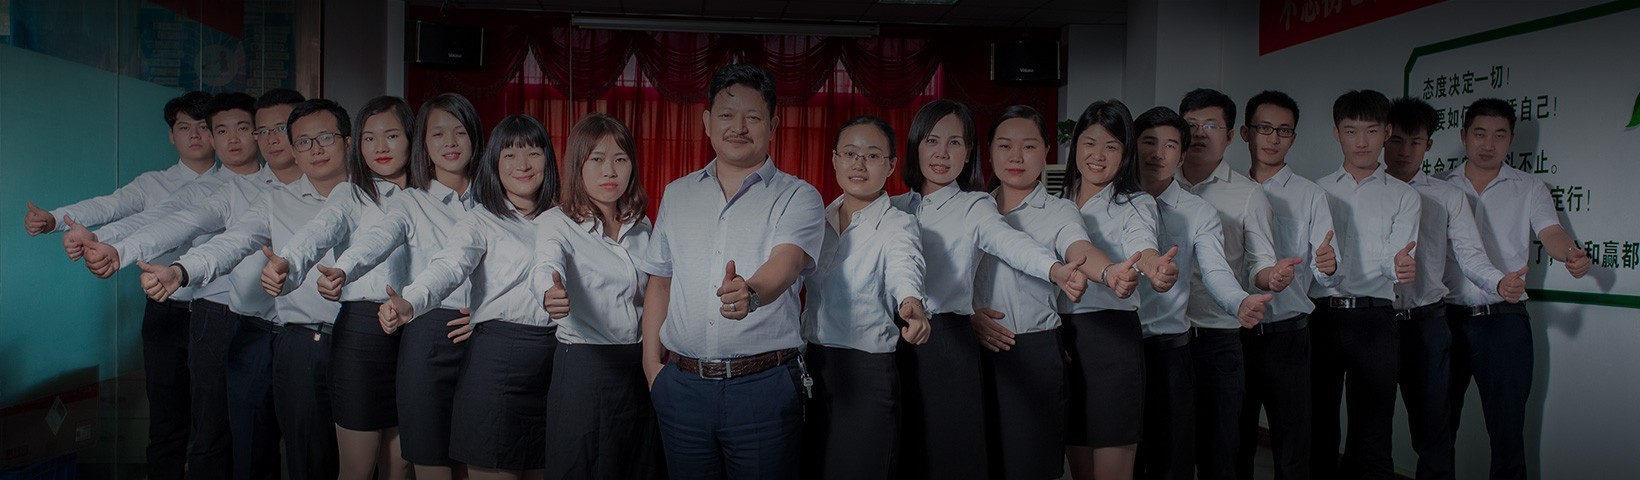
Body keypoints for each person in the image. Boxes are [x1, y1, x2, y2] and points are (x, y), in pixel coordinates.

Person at [79, 89, 308, 480]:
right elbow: (186, 225)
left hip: (309, 333)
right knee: (224, 433)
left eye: (280, 129)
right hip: (238, 322)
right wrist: (122, 250)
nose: (271, 139)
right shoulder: (237, 191)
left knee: (305, 443)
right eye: (264, 130)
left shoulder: (338, 190)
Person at [141, 98, 359, 480]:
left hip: (356, 338)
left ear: (347, 141)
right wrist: (181, 270)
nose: (315, 149)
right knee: (262, 453)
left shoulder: (379, 198)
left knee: (348, 457)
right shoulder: (272, 200)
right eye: (303, 141)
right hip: (286, 336)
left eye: (325, 137)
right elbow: (231, 241)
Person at [890, 99, 1103, 480]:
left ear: (970, 151)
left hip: (947, 343)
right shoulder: (893, 208)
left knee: (953, 459)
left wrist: (1054, 270)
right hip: (894, 344)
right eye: (932, 141)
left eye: (955, 143)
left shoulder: (975, 205)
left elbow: (1010, 243)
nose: (942, 153)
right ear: (915, 145)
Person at [637, 63, 825, 480]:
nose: (738, 127)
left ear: (773, 125)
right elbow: (661, 280)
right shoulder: (677, 194)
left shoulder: (798, 195)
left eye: (752, 117)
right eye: (726, 115)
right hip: (681, 387)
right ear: (707, 122)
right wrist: (652, 367)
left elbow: (787, 262)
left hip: (762, 388)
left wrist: (751, 292)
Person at [22, 90, 215, 480]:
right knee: (166, 415)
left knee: (216, 418)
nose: (194, 135)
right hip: (166, 309)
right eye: (184, 127)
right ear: (171, 135)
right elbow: (107, 205)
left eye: (203, 126)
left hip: (218, 312)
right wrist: (55, 219)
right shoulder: (154, 184)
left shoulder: (237, 184)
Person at [380, 114, 560, 480]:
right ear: (494, 162)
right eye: (509, 155)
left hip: (556, 366)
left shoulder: (565, 219)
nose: (522, 165)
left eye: (533, 153)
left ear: (548, 159)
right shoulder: (482, 219)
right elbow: (449, 265)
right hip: (497, 365)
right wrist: (411, 301)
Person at [327, 93, 484, 480]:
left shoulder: (494, 200)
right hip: (421, 334)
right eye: (438, 134)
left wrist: (485, 314)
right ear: (423, 144)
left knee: (471, 463)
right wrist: (343, 268)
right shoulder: (411, 200)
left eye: (460, 132)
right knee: (421, 461)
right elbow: (378, 240)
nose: (450, 142)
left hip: (482, 340)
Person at [974, 105, 1136, 480]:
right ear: (989, 151)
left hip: (1033, 352)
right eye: (1005, 145)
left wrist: (1107, 272)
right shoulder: (972, 208)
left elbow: (1079, 248)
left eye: (1029, 146)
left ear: (1047, 151)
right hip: (975, 351)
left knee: (1031, 466)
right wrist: (968, 315)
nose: (1016, 157)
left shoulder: (1059, 210)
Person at [262, 96, 417, 480]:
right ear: (356, 144)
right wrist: (288, 262)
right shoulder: (352, 193)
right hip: (364, 334)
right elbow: (320, 231)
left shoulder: (429, 197)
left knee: (400, 465)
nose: (380, 147)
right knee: (357, 467)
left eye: (391, 135)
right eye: (369, 138)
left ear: (411, 139)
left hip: (418, 333)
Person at [1438, 97, 1590, 480]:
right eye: (1480, 134)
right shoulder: (1439, 187)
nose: (1488, 144)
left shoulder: (1530, 187)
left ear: (1511, 139)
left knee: (1507, 437)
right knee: (1437, 431)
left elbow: (1551, 233)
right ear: (1464, 135)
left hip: (1503, 321)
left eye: (1499, 135)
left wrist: (1571, 254)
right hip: (1446, 320)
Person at [1131, 106, 1270, 480]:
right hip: (1122, 346)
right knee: (1126, 458)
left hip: (1173, 349)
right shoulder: (1114, 202)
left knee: (1177, 459)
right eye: (1148, 142)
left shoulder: (1198, 212)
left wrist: (1239, 302)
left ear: (1181, 153)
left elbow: (1216, 271)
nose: (1158, 153)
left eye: (1170, 145)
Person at [530, 113, 666, 479]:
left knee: (638, 467)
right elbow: (545, 264)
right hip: (585, 368)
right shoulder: (556, 222)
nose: (610, 171)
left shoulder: (642, 225)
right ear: (577, 164)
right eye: (597, 159)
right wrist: (549, 292)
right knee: (581, 468)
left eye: (620, 159)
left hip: (639, 366)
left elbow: (658, 292)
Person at [799, 115, 928, 480]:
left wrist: (912, 304)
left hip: (866, 372)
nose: (859, 164)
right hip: (811, 365)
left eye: (872, 155)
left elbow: (905, 267)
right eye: (850, 153)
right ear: (835, 159)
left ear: (891, 165)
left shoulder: (898, 224)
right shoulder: (815, 220)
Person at [1174, 89, 1285, 480]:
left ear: (1231, 135)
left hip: (1217, 340)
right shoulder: (1157, 187)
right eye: (1190, 125)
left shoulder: (1248, 194)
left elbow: (1260, 262)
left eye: (1211, 125)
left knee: (1219, 453)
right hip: (1166, 340)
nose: (1199, 133)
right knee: (1167, 452)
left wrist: (1271, 277)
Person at [1310, 89, 1421, 480]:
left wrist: (1399, 266)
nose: (1362, 141)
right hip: (1321, 318)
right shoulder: (1316, 191)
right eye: (1351, 130)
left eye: (1372, 131)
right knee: (1318, 427)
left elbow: (1395, 258)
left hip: (1375, 320)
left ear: (1386, 132)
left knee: (1373, 434)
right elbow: (1312, 262)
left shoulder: (1404, 196)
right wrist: (1322, 268)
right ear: (1336, 133)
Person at [1056, 100, 1168, 480]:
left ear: (1126, 152)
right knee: (1079, 464)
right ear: (1076, 146)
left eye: (1111, 146)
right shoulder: (1056, 201)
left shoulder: (1135, 203)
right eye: (1089, 143)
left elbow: (1143, 245)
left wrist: (1152, 266)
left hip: (1110, 340)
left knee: (1112, 465)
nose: (1098, 156)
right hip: (1062, 338)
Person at [1239, 90, 1341, 480]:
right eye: (1264, 128)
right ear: (1246, 133)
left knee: (1293, 446)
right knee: (1235, 441)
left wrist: (1328, 266)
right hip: (1235, 334)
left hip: (1288, 336)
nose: (1273, 138)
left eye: (1284, 131)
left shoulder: (1310, 195)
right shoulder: (1229, 191)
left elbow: (1326, 268)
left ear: (1293, 138)